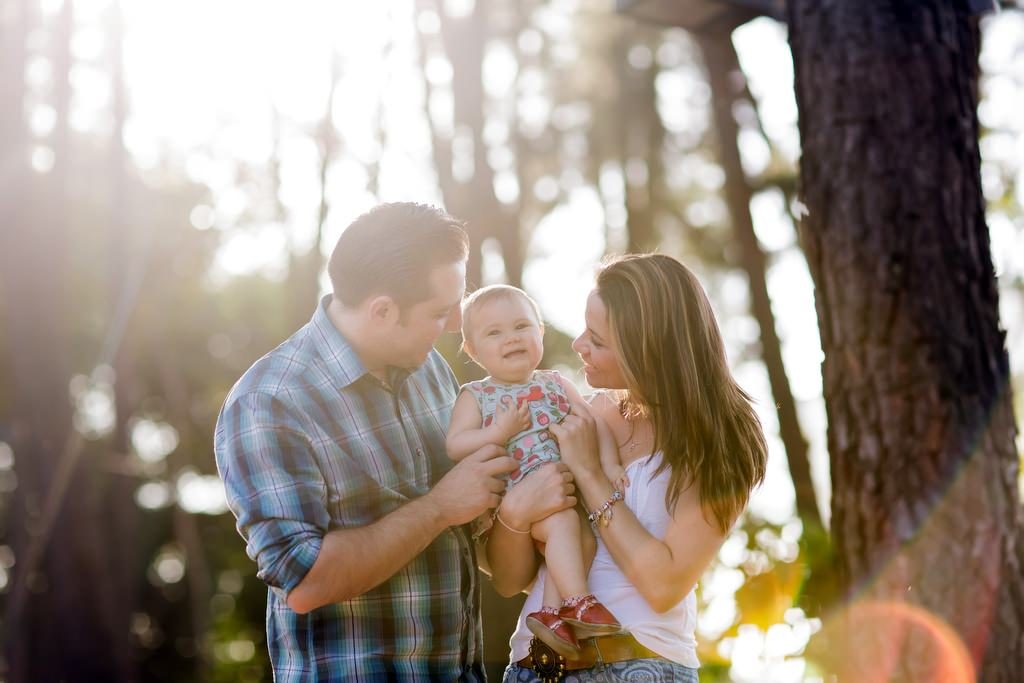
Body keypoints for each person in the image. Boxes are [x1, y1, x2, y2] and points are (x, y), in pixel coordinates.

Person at [214, 203, 540, 681]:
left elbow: (478, 524)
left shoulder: (430, 371)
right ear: (383, 310)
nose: (455, 326)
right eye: (440, 312)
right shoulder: (270, 403)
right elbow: (302, 581)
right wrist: (439, 508)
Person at [486, 254, 768, 682]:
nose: (579, 345)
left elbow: (663, 585)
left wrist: (591, 476)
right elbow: (511, 581)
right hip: (534, 666)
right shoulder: (584, 414)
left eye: (597, 340)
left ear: (647, 348)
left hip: (639, 666)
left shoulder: (720, 436)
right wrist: (513, 515)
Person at [446, 285, 626, 659]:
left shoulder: (555, 384)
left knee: (584, 540)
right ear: (473, 351)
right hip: (514, 502)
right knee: (563, 525)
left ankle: (550, 614)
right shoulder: (476, 395)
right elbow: (456, 444)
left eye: (521, 326)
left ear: (540, 333)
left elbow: (595, 424)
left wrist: (610, 464)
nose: (511, 338)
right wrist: (497, 433)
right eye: (494, 333)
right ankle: (578, 602)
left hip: (563, 495)